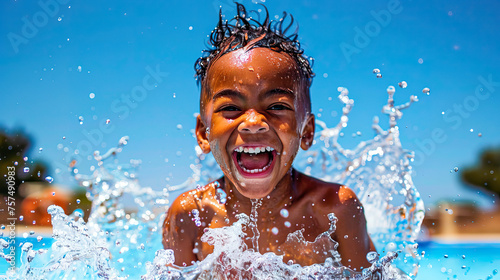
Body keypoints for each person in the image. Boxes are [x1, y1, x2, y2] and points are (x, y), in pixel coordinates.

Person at [162, 3, 375, 271]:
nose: (253, 123)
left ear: (306, 132)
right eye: (230, 108)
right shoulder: (190, 216)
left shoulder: (335, 210)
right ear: (203, 133)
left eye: (277, 106)